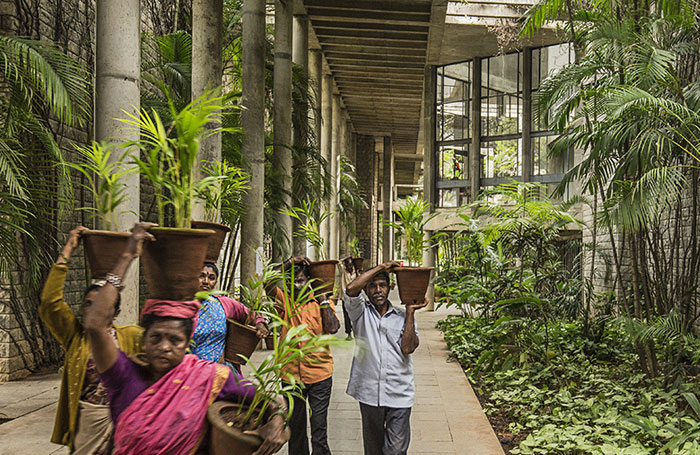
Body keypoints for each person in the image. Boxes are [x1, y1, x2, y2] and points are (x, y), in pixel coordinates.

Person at [83, 222, 287, 455]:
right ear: (144, 339)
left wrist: (277, 422)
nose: (165, 347)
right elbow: (95, 325)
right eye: (156, 338)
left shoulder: (210, 378)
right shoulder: (124, 374)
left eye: (175, 340)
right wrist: (128, 254)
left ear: (187, 341)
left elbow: (272, 401)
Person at [39, 225, 142, 455]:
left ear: (114, 312)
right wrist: (69, 247)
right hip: (88, 423)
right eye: (88, 304)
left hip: (124, 421)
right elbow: (50, 302)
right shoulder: (75, 337)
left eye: (99, 305)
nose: (92, 310)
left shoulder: (131, 336)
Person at [343, 262, 428, 455]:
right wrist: (382, 267)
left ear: (391, 288)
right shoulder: (359, 313)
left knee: (396, 450)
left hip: (399, 391)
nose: (378, 290)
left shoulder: (401, 316)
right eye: (372, 286)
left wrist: (410, 313)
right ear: (366, 289)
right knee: (373, 450)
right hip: (368, 392)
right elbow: (350, 289)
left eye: (382, 285)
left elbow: (408, 347)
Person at [267, 256, 340, 455]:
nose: (297, 285)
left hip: (320, 376)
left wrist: (323, 298)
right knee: (296, 428)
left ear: (309, 281)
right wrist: (288, 262)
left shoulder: (321, 302)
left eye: (301, 280)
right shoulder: (283, 302)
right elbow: (267, 281)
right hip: (291, 377)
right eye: (293, 281)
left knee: (319, 428)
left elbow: (333, 327)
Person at [192, 261, 268, 364]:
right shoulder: (184, 307)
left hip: (220, 370)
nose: (206, 281)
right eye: (201, 276)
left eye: (211, 278)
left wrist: (260, 323)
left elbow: (248, 313)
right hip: (191, 371)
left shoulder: (223, 304)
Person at [336, 257, 356, 340]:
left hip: (354, 297)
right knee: (346, 316)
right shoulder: (344, 272)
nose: (349, 267)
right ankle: (349, 333)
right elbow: (338, 263)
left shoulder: (356, 273)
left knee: (355, 316)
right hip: (346, 297)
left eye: (351, 265)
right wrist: (345, 259)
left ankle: (357, 332)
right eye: (348, 265)